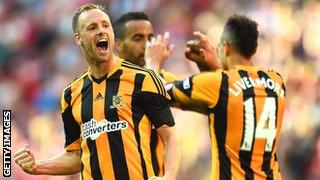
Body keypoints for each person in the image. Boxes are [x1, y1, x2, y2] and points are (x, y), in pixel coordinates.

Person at [13, 3, 180, 180]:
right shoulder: (70, 95)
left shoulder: (143, 79)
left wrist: (168, 176)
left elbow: (170, 137)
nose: (101, 31)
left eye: (106, 25)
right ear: (78, 39)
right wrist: (37, 166)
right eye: (92, 27)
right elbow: (76, 157)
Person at [161, 15, 286, 179]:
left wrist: (153, 62)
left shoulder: (219, 83)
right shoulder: (276, 81)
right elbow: (235, 97)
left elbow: (162, 91)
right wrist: (216, 67)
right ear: (254, 49)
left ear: (225, 48)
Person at [113, 11, 175, 176]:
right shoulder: (104, 86)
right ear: (118, 44)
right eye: (138, 38)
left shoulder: (162, 78)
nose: (147, 45)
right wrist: (153, 64)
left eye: (150, 38)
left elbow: (203, 104)